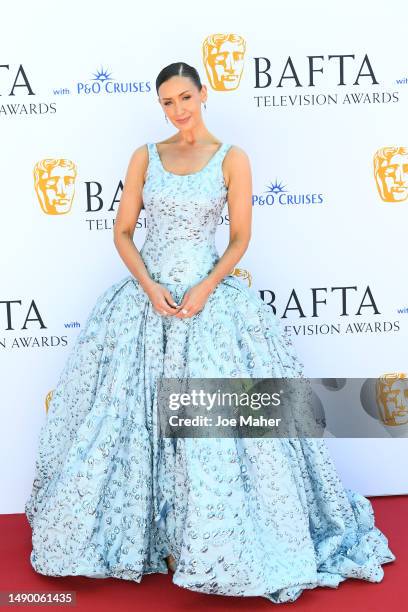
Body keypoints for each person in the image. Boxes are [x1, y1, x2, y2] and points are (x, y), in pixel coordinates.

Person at [25, 61, 396, 604]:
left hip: (208, 302)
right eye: (166, 103)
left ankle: (200, 538)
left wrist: (206, 286)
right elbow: (124, 232)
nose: (176, 110)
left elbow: (240, 237)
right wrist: (149, 285)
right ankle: (153, 534)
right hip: (146, 302)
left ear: (204, 93)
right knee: (129, 418)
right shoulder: (144, 156)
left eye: (183, 97)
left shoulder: (232, 159)